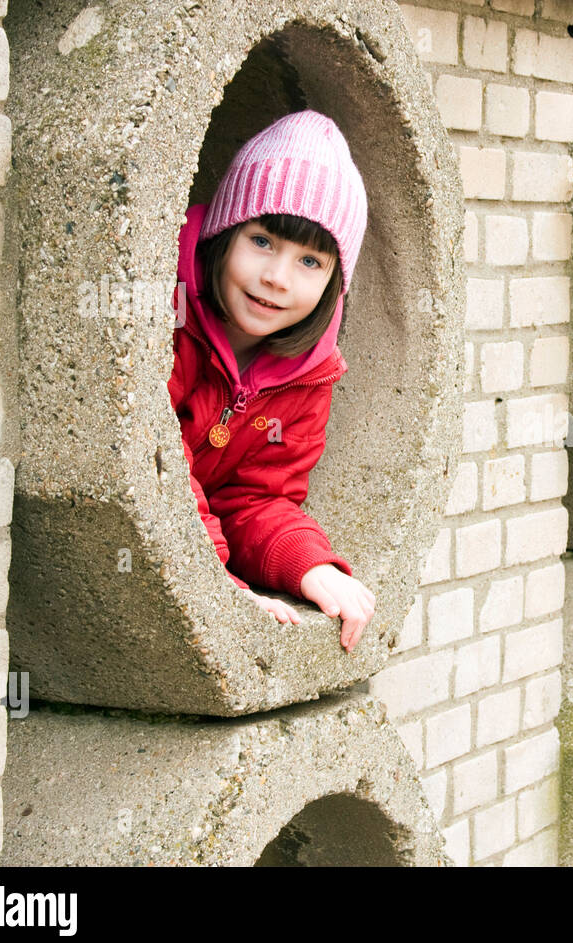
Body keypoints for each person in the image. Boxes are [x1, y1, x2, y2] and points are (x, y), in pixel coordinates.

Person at [168, 110, 375, 652]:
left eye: (310, 260)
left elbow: (255, 499)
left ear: (335, 282)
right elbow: (155, 462)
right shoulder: (169, 319)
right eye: (262, 241)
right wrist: (216, 585)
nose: (277, 279)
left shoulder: (308, 377)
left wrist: (309, 565)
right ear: (223, 232)